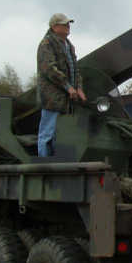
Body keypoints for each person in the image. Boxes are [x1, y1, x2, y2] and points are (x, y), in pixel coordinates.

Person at [37, 13, 87, 156]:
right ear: (54, 27)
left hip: (67, 99)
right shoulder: (46, 44)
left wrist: (79, 88)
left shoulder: (69, 46)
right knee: (47, 133)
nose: (68, 26)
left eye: (68, 23)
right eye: (64, 24)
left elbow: (75, 69)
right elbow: (49, 69)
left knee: (61, 135)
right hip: (52, 98)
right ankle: (43, 165)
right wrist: (68, 86)